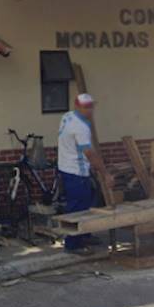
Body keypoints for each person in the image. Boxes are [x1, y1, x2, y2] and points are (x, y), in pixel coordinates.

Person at [58, 93, 106, 253]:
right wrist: (105, 174)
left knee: (87, 203)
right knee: (77, 208)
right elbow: (89, 153)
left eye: (91, 106)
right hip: (76, 171)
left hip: (67, 166)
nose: (89, 110)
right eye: (86, 107)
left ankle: (84, 234)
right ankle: (72, 244)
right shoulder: (80, 127)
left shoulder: (67, 116)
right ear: (77, 106)